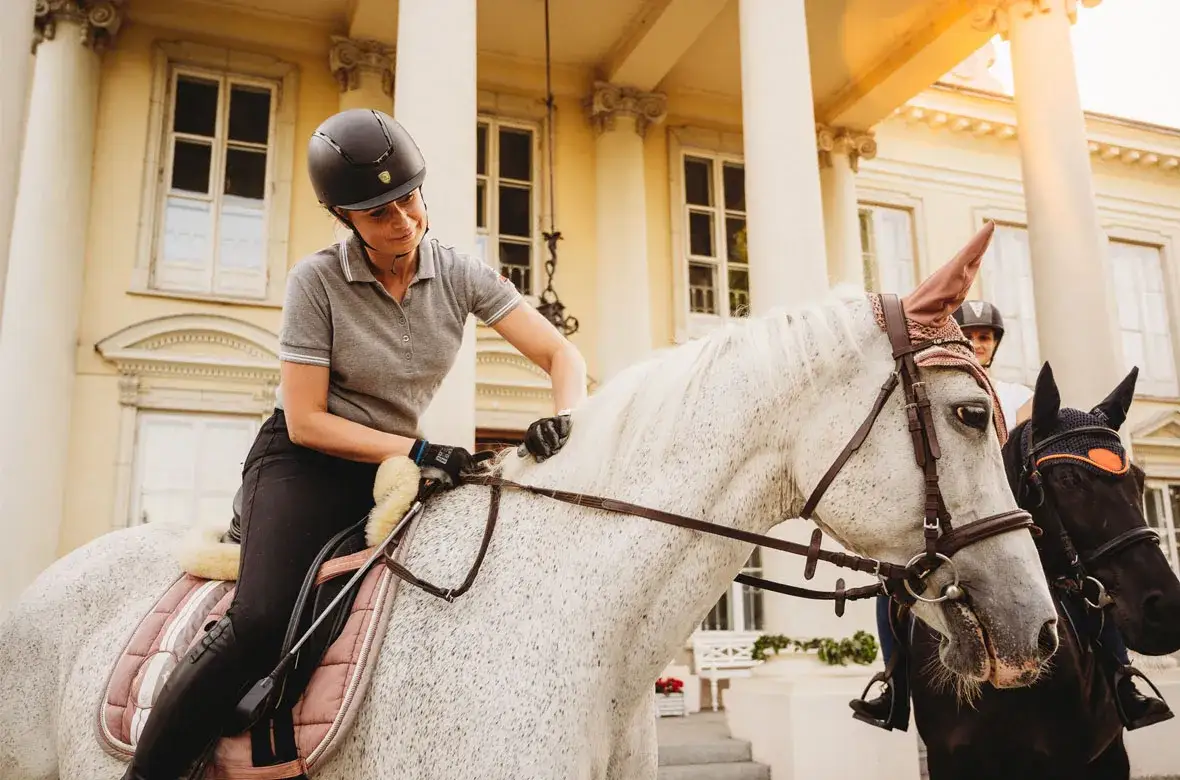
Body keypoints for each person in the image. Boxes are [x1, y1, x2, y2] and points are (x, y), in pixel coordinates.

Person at [121, 108, 588, 779]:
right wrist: (421, 452)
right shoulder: (315, 282)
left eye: (409, 200)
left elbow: (560, 357)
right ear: (345, 217)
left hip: (390, 467)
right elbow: (308, 419)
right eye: (379, 213)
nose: (401, 221)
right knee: (259, 623)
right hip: (303, 463)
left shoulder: (460, 273)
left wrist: (566, 419)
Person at [850, 299, 1170, 731]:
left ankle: (1122, 680)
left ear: (995, 344)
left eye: (986, 337)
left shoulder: (1021, 397)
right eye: (971, 335)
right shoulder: (932, 392)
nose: (978, 343)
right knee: (893, 591)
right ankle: (895, 688)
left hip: (1016, 515)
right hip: (956, 517)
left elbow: (1035, 448)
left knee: (1088, 592)